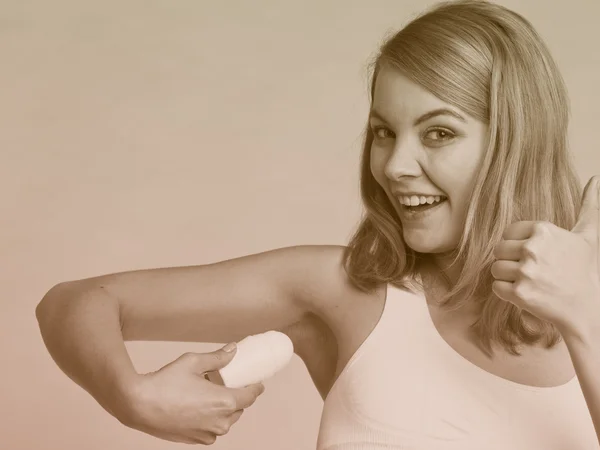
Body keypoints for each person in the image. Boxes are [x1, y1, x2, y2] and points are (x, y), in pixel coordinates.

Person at [35, 0, 600, 448]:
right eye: (384, 131)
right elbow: (74, 302)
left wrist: (584, 317)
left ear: (517, 144)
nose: (396, 167)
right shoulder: (343, 292)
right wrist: (130, 395)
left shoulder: (592, 312)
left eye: (439, 133)